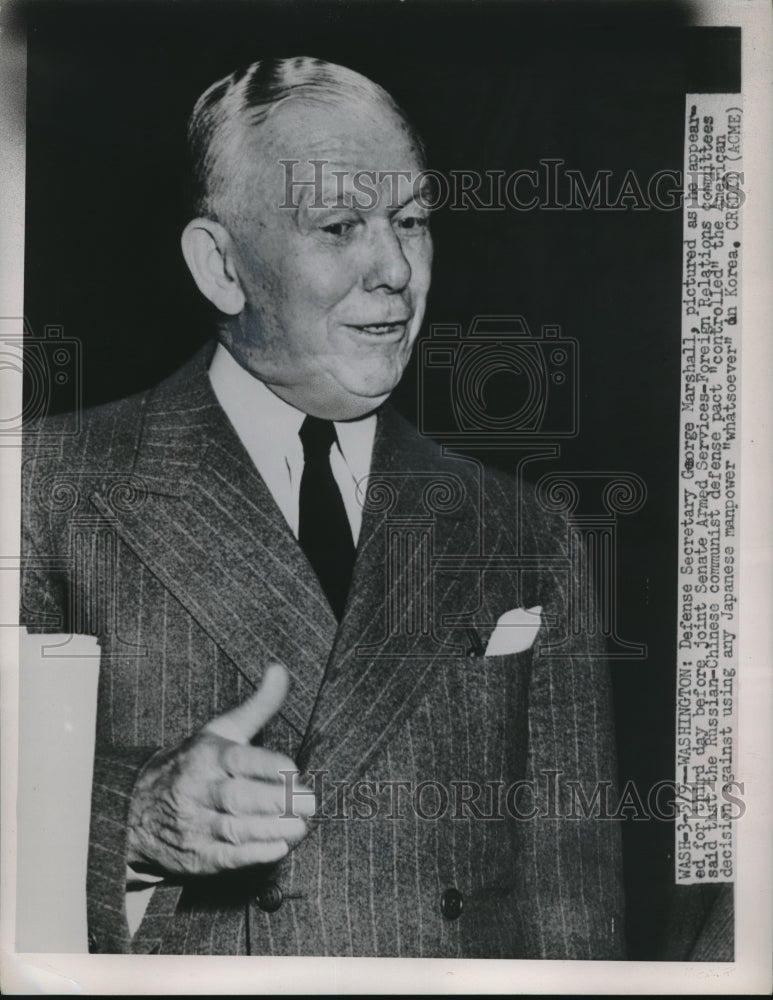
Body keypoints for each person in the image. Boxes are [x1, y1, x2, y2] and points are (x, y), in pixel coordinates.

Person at [20, 56, 624, 958]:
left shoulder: (527, 533)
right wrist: (130, 819)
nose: (396, 269)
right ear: (221, 266)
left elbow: (575, 913)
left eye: (411, 221)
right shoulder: (42, 486)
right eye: (340, 226)